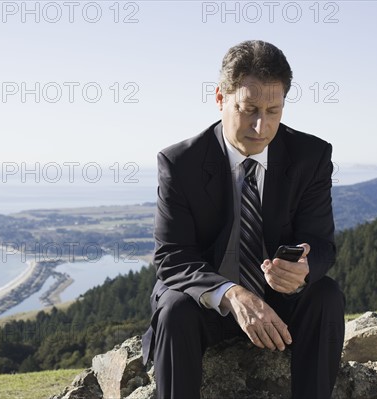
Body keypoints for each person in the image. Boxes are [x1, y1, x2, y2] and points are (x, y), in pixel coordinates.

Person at [141, 40, 345, 399]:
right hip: (207, 306)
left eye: (273, 111)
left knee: (326, 295)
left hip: (280, 303)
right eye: (248, 109)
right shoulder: (180, 163)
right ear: (221, 99)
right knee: (174, 307)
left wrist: (303, 270)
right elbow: (172, 258)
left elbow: (323, 243)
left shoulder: (311, 156)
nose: (260, 125)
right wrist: (231, 294)